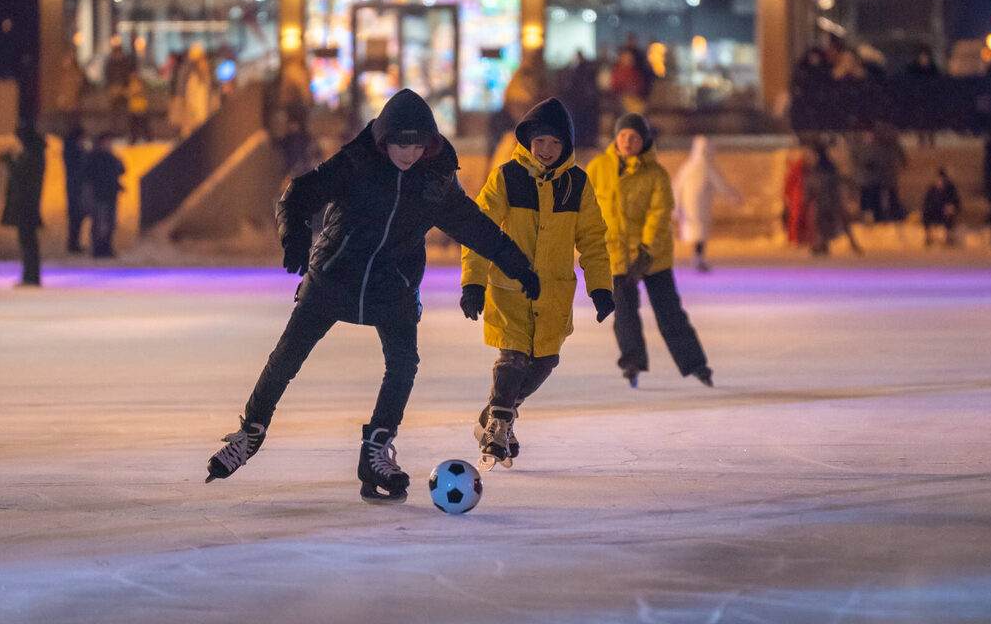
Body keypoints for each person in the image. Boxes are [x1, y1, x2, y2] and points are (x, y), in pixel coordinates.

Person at [205, 89, 541, 504]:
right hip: (334, 275)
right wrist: (293, 236)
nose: (409, 153)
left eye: (418, 145)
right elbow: (298, 194)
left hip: (393, 283)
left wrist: (518, 264)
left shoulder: (435, 181)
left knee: (403, 364)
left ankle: (375, 450)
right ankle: (251, 431)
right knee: (286, 357)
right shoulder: (356, 163)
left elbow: (474, 226)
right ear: (384, 139)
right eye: (401, 143)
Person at [460, 98, 613, 470]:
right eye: (540, 141)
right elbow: (480, 229)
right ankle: (498, 424)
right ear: (528, 141)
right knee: (513, 359)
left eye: (554, 143)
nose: (545, 150)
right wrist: (473, 282)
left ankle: (495, 417)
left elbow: (592, 239)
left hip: (553, 294)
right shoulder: (507, 177)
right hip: (511, 289)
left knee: (544, 361)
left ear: (566, 147)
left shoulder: (577, 184)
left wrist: (601, 287)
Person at [586, 113, 713, 389]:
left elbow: (659, 215)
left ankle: (695, 364)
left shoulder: (656, 174)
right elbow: (587, 209)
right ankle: (631, 363)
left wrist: (645, 251)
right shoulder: (597, 168)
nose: (627, 142)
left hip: (652, 257)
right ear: (615, 139)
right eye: (623, 136)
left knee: (669, 312)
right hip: (616, 257)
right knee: (625, 314)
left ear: (643, 141)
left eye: (634, 137)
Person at [673, 135, 741, 272]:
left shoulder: (688, 166)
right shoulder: (706, 167)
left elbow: (677, 186)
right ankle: (698, 259)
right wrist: (732, 196)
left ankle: (697, 258)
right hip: (700, 207)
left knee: (696, 233)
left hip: (690, 207)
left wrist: (676, 205)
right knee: (700, 234)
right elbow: (720, 184)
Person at [1, 122, 47, 287]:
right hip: (27, 204)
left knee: (28, 242)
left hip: (26, 204)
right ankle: (30, 275)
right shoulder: (34, 153)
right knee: (28, 241)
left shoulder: (32, 154)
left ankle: (31, 276)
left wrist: (10, 163)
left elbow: (23, 177)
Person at [806, 143, 863, 257]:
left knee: (823, 223)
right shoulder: (830, 167)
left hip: (826, 199)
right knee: (838, 223)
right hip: (833, 198)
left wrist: (810, 195)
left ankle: (825, 246)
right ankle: (850, 245)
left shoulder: (819, 169)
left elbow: (816, 185)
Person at [85, 133, 125, 258]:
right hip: (100, 195)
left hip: (110, 195)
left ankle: (106, 248)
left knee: (109, 223)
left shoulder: (110, 158)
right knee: (99, 223)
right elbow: (90, 175)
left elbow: (122, 169)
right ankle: (98, 249)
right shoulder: (95, 158)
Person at [62, 127, 89, 253]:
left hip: (75, 188)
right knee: (75, 217)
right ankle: (73, 244)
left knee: (76, 218)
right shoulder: (75, 154)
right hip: (76, 189)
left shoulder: (72, 152)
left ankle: (74, 243)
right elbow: (80, 170)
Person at [921, 167, 960, 247]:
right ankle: (928, 237)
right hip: (934, 212)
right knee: (925, 214)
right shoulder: (932, 189)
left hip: (945, 212)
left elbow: (956, 201)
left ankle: (948, 238)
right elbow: (926, 201)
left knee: (949, 213)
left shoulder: (950, 189)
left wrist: (951, 206)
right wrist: (928, 207)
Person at [783, 146, 813, 247]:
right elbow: (790, 181)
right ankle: (796, 239)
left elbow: (789, 182)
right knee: (797, 218)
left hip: (802, 195)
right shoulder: (798, 166)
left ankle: (803, 239)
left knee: (804, 218)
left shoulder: (805, 166)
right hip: (798, 195)